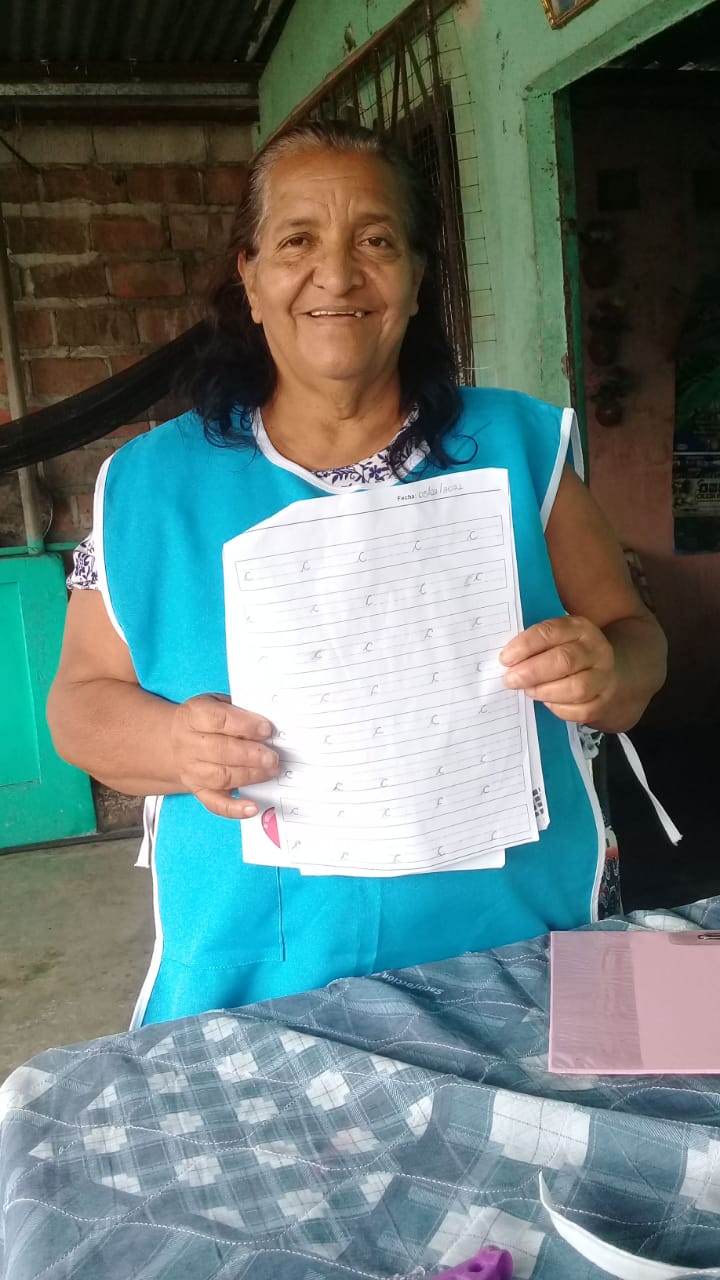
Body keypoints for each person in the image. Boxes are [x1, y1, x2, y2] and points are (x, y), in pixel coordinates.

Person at [47, 120, 667, 1027]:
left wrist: (609, 674)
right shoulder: (148, 486)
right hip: (256, 966)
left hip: (522, 946)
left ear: (416, 277)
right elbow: (77, 706)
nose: (336, 276)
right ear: (250, 279)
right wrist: (175, 744)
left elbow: (637, 642)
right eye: (298, 242)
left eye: (375, 241)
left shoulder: (521, 449)